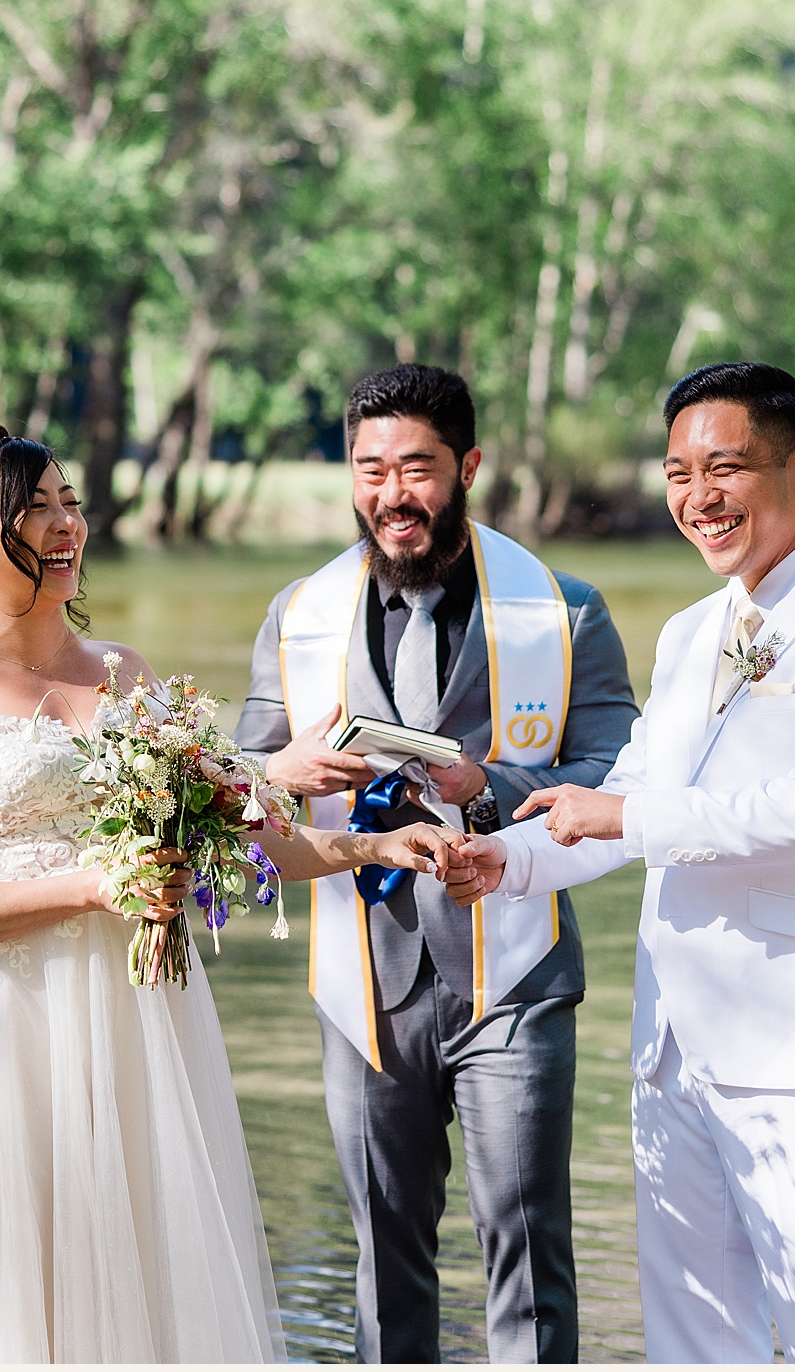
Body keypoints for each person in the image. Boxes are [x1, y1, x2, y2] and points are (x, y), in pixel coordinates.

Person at [0, 423, 457, 1364]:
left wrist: (382, 843)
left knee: (147, 1283)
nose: (64, 524)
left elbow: (252, 837)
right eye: (31, 508)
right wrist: (93, 884)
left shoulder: (123, 673)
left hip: (138, 1025)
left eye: (68, 501)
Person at [444, 362, 795, 1363]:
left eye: (724, 468)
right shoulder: (689, 632)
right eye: (677, 472)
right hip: (675, 1043)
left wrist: (624, 812)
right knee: (692, 1337)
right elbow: (625, 794)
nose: (696, 498)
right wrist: (505, 857)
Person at [235, 366, 637, 1364]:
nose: (391, 493)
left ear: (468, 466)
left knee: (527, 1244)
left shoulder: (563, 609)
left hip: (515, 973)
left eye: (416, 467)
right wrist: (278, 768)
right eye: (370, 469)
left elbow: (622, 774)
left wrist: (487, 784)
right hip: (360, 980)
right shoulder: (299, 614)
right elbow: (230, 787)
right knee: (382, 1254)